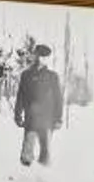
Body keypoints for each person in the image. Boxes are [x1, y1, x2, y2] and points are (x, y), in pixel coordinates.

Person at [14, 39, 62, 168]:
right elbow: (20, 96)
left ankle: (43, 175)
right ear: (35, 56)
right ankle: (25, 173)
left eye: (45, 56)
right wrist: (17, 115)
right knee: (27, 151)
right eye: (39, 55)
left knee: (45, 149)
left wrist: (58, 118)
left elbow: (58, 99)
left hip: (47, 118)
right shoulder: (26, 75)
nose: (41, 59)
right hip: (31, 116)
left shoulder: (53, 76)